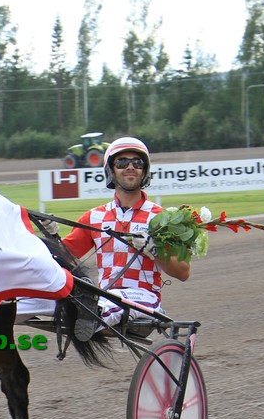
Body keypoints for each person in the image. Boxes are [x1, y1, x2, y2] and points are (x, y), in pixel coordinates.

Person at [60, 136, 191, 328]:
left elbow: (183, 272)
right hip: (106, 295)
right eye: (122, 162)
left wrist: (154, 250)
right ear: (111, 170)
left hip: (144, 297)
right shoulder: (94, 217)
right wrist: (51, 235)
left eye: (137, 163)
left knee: (105, 305)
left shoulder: (162, 218)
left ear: (144, 170)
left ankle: (91, 318)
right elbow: (62, 256)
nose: (130, 167)